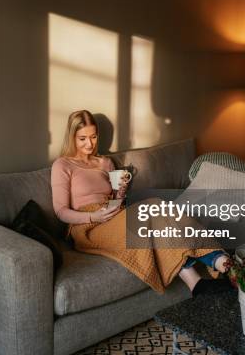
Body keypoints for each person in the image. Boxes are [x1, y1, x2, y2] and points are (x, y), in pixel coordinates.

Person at [51, 110, 232, 295]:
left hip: (114, 213)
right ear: (72, 137)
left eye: (93, 137)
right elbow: (61, 211)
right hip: (87, 227)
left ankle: (214, 269)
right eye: (82, 138)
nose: (89, 144)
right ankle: (213, 268)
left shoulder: (104, 163)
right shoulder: (63, 165)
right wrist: (93, 216)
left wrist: (120, 190)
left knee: (158, 210)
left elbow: (116, 200)